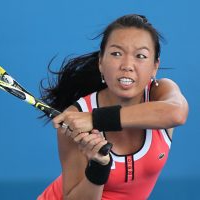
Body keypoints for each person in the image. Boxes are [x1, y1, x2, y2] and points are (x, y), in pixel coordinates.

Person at [37, 14, 189, 200]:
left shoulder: (161, 93)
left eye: (140, 56)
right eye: (116, 53)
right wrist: (98, 167)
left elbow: (177, 113)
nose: (127, 65)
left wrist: (95, 119)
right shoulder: (75, 117)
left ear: (155, 67)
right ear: (101, 62)